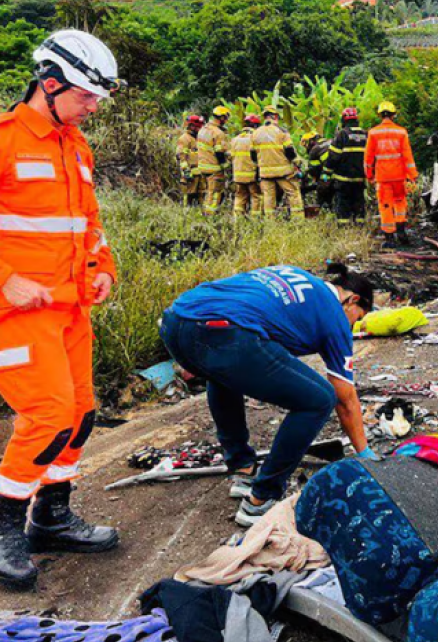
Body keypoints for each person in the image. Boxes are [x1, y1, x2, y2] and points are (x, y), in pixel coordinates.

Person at [0, 29, 123, 590]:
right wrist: (7, 281)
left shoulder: (76, 145)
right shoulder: (5, 141)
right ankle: (4, 528)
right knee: (47, 416)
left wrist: (103, 271)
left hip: (71, 310)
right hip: (17, 314)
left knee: (80, 414)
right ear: (49, 85)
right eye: (85, 96)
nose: (93, 107)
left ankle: (50, 517)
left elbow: (90, 227)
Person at [159, 264, 376, 527]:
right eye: (358, 316)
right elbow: (345, 399)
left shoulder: (295, 274)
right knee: (319, 400)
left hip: (176, 320)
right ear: (352, 300)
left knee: (223, 374)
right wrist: (364, 453)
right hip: (224, 332)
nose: (353, 324)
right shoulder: (335, 317)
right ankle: (261, 499)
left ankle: (243, 470)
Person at [364, 101, 417, 246]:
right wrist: (412, 175)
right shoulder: (401, 132)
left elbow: (368, 158)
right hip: (399, 176)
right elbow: (408, 156)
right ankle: (401, 231)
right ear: (393, 115)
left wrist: (369, 175)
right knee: (400, 202)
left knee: (385, 205)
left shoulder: (373, 133)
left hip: (383, 177)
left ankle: (389, 238)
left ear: (380, 115)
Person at [251, 106, 304, 219]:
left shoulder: (255, 133)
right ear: (275, 116)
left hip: (265, 172)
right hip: (283, 172)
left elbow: (253, 155)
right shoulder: (281, 131)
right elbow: (289, 150)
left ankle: (270, 222)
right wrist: (297, 163)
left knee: (268, 198)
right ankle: (298, 221)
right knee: (293, 194)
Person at [326, 107, 368, 224]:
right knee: (359, 201)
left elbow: (333, 157)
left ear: (344, 120)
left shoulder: (342, 134)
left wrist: (326, 173)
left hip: (343, 178)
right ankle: (360, 224)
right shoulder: (365, 134)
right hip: (360, 177)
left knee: (343, 202)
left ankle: (344, 227)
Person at [197, 106, 231, 215]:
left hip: (203, 166)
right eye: (225, 118)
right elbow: (219, 152)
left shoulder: (203, 129)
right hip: (214, 168)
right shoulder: (218, 133)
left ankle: (204, 212)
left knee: (207, 192)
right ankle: (210, 216)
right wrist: (226, 166)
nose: (226, 120)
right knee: (215, 193)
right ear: (221, 117)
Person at [229, 114, 262, 216]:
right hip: (251, 175)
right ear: (256, 126)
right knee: (257, 197)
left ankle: (237, 219)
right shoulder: (255, 138)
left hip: (238, 176)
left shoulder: (235, 139)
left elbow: (231, 157)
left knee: (239, 197)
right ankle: (255, 220)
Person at [176, 114, 206, 208]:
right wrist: (186, 171)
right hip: (190, 174)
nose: (200, 128)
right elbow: (181, 156)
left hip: (200, 173)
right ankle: (186, 215)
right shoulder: (184, 138)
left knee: (202, 195)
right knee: (188, 196)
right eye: (198, 127)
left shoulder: (198, 139)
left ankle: (201, 216)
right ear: (192, 126)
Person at [301, 130, 333, 215]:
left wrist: (304, 180)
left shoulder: (315, 150)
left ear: (311, 141)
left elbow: (313, 170)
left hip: (329, 176)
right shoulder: (331, 141)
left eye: (306, 143)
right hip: (344, 173)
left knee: (322, 189)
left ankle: (322, 211)